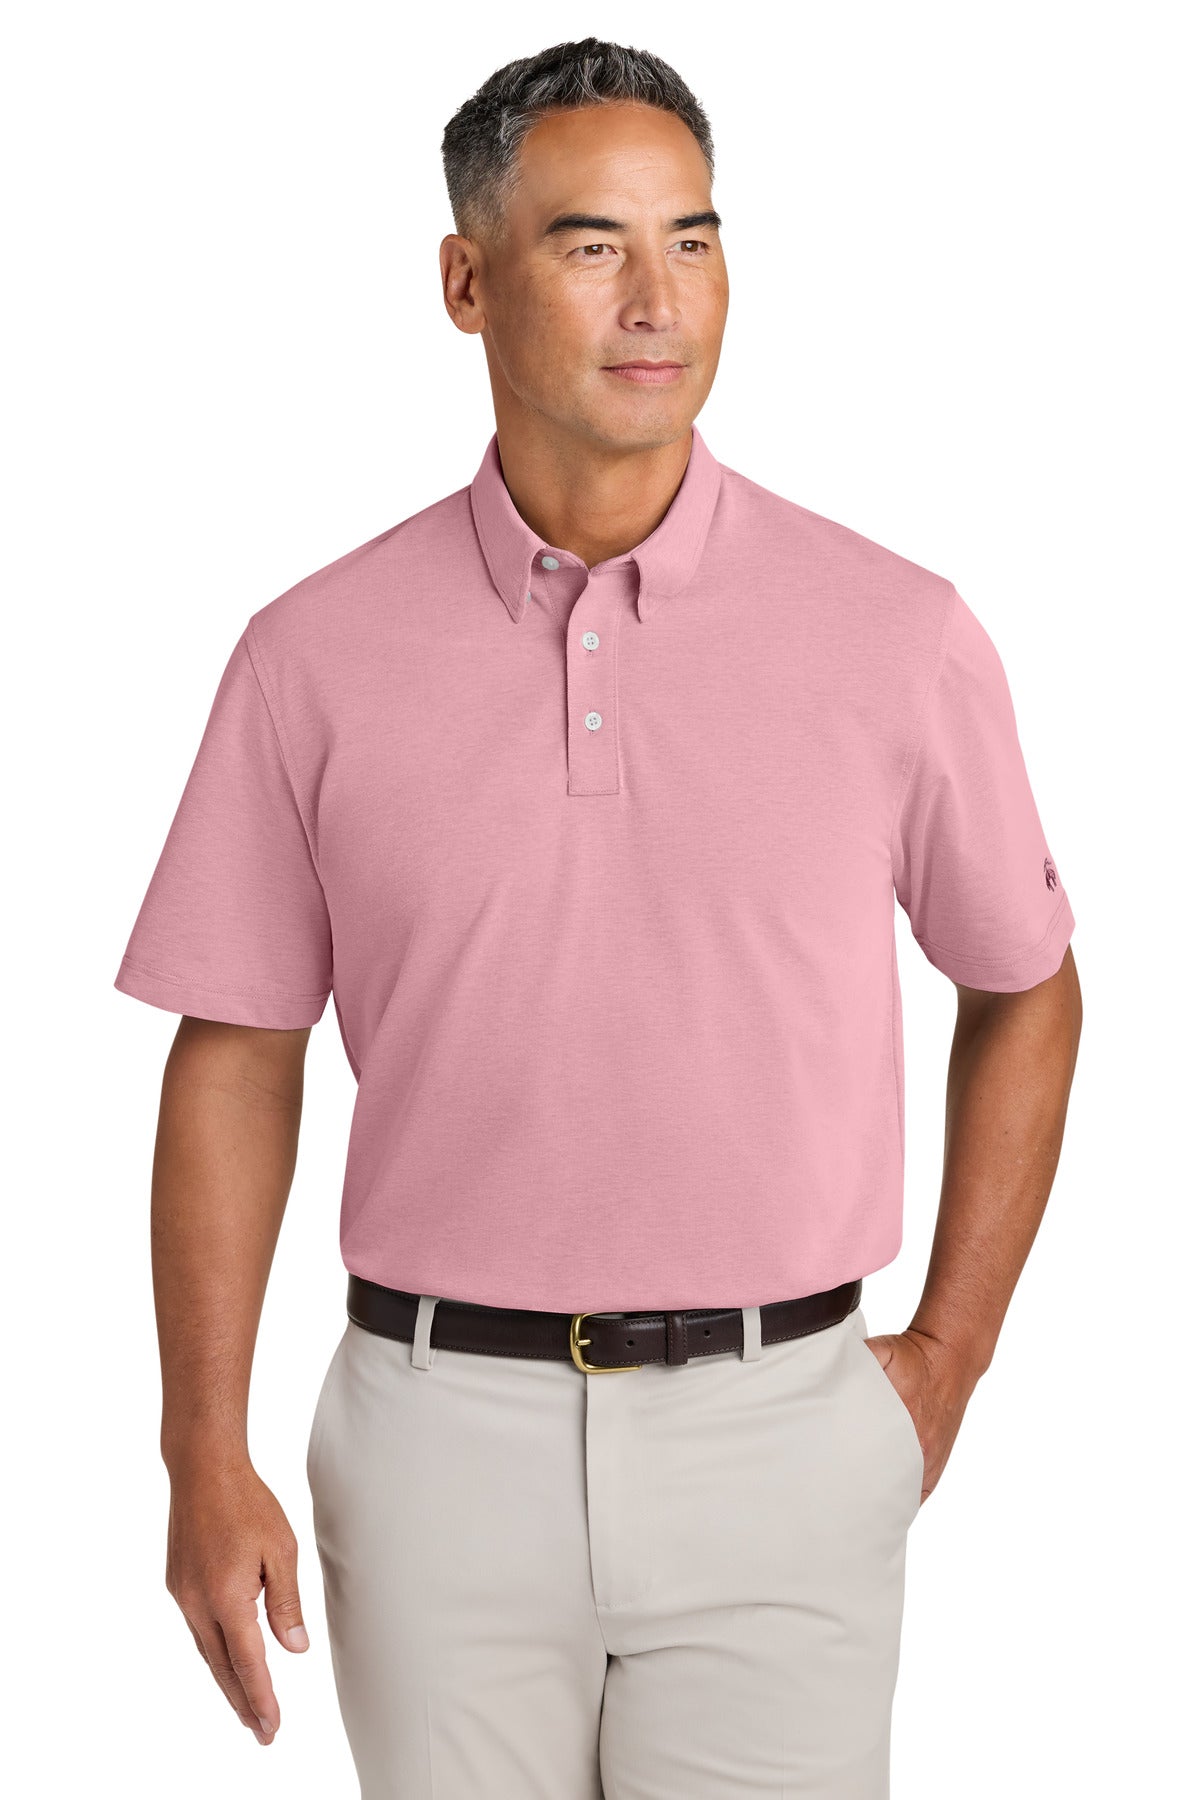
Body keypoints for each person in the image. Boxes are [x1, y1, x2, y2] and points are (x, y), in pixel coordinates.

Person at [114, 35, 1083, 1800]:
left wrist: (947, 1355)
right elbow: (237, 1050)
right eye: (592, 245)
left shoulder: (897, 634)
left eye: (693, 239)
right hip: (432, 1445)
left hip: (784, 1436)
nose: (659, 300)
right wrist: (201, 1444)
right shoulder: (309, 657)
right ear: (466, 283)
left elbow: (1026, 986)